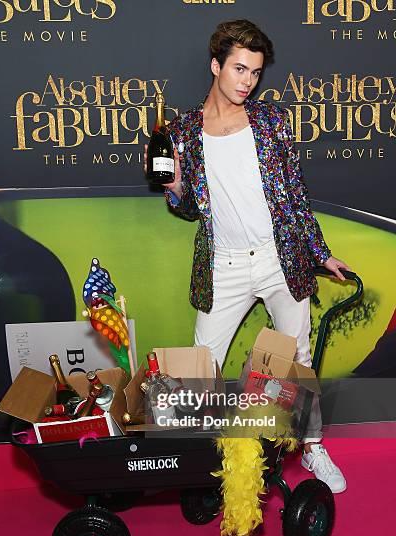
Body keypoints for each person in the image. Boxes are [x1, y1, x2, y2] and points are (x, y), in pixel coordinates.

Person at [144, 19, 349, 493]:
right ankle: (205, 457)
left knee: (296, 359)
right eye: (239, 69)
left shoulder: (271, 122)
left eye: (254, 73)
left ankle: (313, 445)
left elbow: (296, 198)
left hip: (280, 260)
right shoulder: (184, 133)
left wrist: (320, 254)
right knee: (203, 364)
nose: (246, 81)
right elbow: (190, 207)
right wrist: (174, 188)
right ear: (215, 65)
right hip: (225, 264)